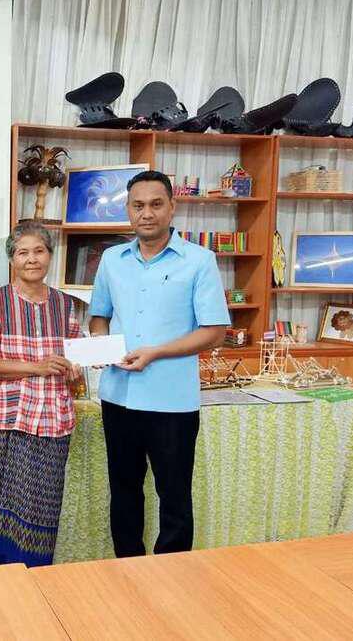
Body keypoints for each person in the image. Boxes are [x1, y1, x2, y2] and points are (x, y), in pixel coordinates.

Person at [89, 170, 229, 557]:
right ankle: (127, 567)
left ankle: (172, 574)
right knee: (123, 492)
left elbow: (215, 332)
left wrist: (156, 352)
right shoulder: (112, 260)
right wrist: (100, 344)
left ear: (172, 207)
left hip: (172, 403)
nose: (146, 213)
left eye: (155, 204)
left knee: (174, 496)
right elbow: (99, 316)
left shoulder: (199, 261)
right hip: (118, 397)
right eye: (138, 206)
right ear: (128, 210)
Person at [0, 221, 82, 567]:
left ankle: (36, 578)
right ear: (12, 259)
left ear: (50, 255)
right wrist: (37, 367)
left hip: (53, 421)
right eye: (23, 252)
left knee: (44, 509)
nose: (32, 259)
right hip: (8, 421)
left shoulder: (65, 305)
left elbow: (76, 356)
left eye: (39, 251)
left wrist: (75, 367)